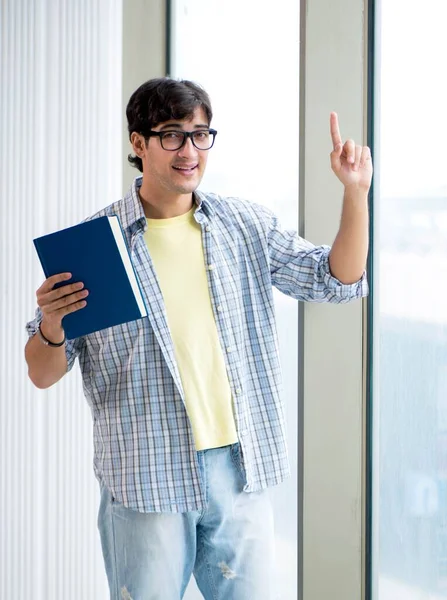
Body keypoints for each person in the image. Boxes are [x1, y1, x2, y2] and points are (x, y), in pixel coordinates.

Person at [24, 77, 372, 600]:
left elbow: (335, 281)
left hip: (239, 470)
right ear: (138, 144)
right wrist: (52, 325)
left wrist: (355, 194)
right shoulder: (96, 247)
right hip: (145, 477)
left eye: (200, 134)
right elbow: (42, 372)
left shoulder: (243, 226)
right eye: (171, 135)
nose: (189, 151)